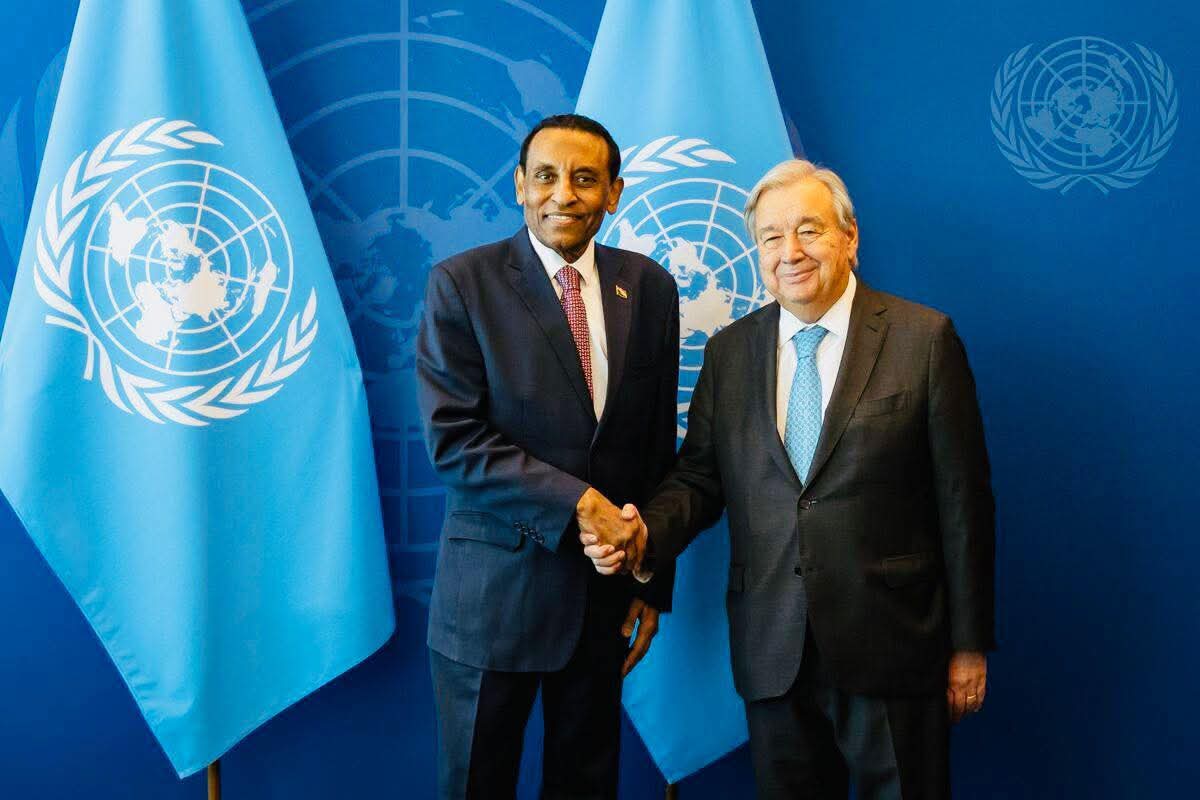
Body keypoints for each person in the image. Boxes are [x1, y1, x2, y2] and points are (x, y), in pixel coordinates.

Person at [583, 159, 995, 799]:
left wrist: (968, 645)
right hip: (773, 645)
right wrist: (644, 535)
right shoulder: (729, 353)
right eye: (771, 237)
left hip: (894, 643)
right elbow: (699, 479)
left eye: (809, 230)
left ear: (849, 238)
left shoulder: (924, 339)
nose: (790, 252)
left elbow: (963, 502)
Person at [415, 113, 680, 799]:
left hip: (601, 605)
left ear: (614, 193)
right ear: (519, 186)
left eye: (585, 179)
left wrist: (650, 577)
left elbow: (655, 445)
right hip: (491, 604)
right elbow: (455, 439)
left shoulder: (650, 288)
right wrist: (581, 504)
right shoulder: (462, 284)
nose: (564, 194)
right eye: (546, 176)